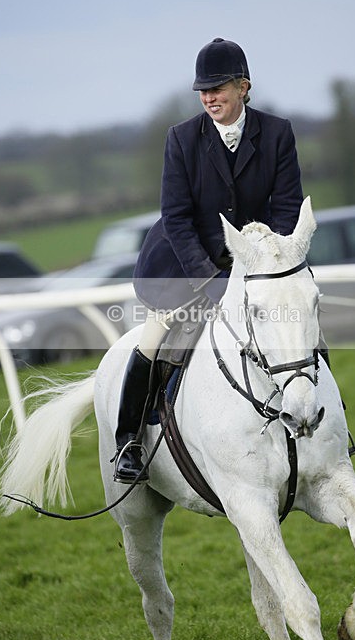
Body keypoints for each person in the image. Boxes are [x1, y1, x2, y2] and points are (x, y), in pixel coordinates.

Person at [113, 37, 304, 483]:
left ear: (244, 86)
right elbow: (176, 219)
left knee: (299, 323)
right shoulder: (181, 138)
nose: (208, 97)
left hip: (255, 259)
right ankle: (129, 443)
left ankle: (330, 422)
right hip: (185, 261)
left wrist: (260, 264)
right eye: (202, 90)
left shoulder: (277, 133)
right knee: (155, 337)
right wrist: (213, 281)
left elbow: (287, 207)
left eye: (217, 87)